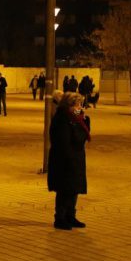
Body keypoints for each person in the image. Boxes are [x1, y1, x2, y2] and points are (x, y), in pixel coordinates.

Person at [48, 92, 90, 230]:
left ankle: (70, 215)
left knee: (74, 189)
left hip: (75, 159)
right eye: (77, 105)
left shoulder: (76, 118)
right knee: (64, 189)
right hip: (65, 160)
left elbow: (83, 136)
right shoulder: (62, 118)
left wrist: (85, 120)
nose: (79, 107)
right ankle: (60, 218)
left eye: (80, 104)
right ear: (69, 105)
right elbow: (71, 139)